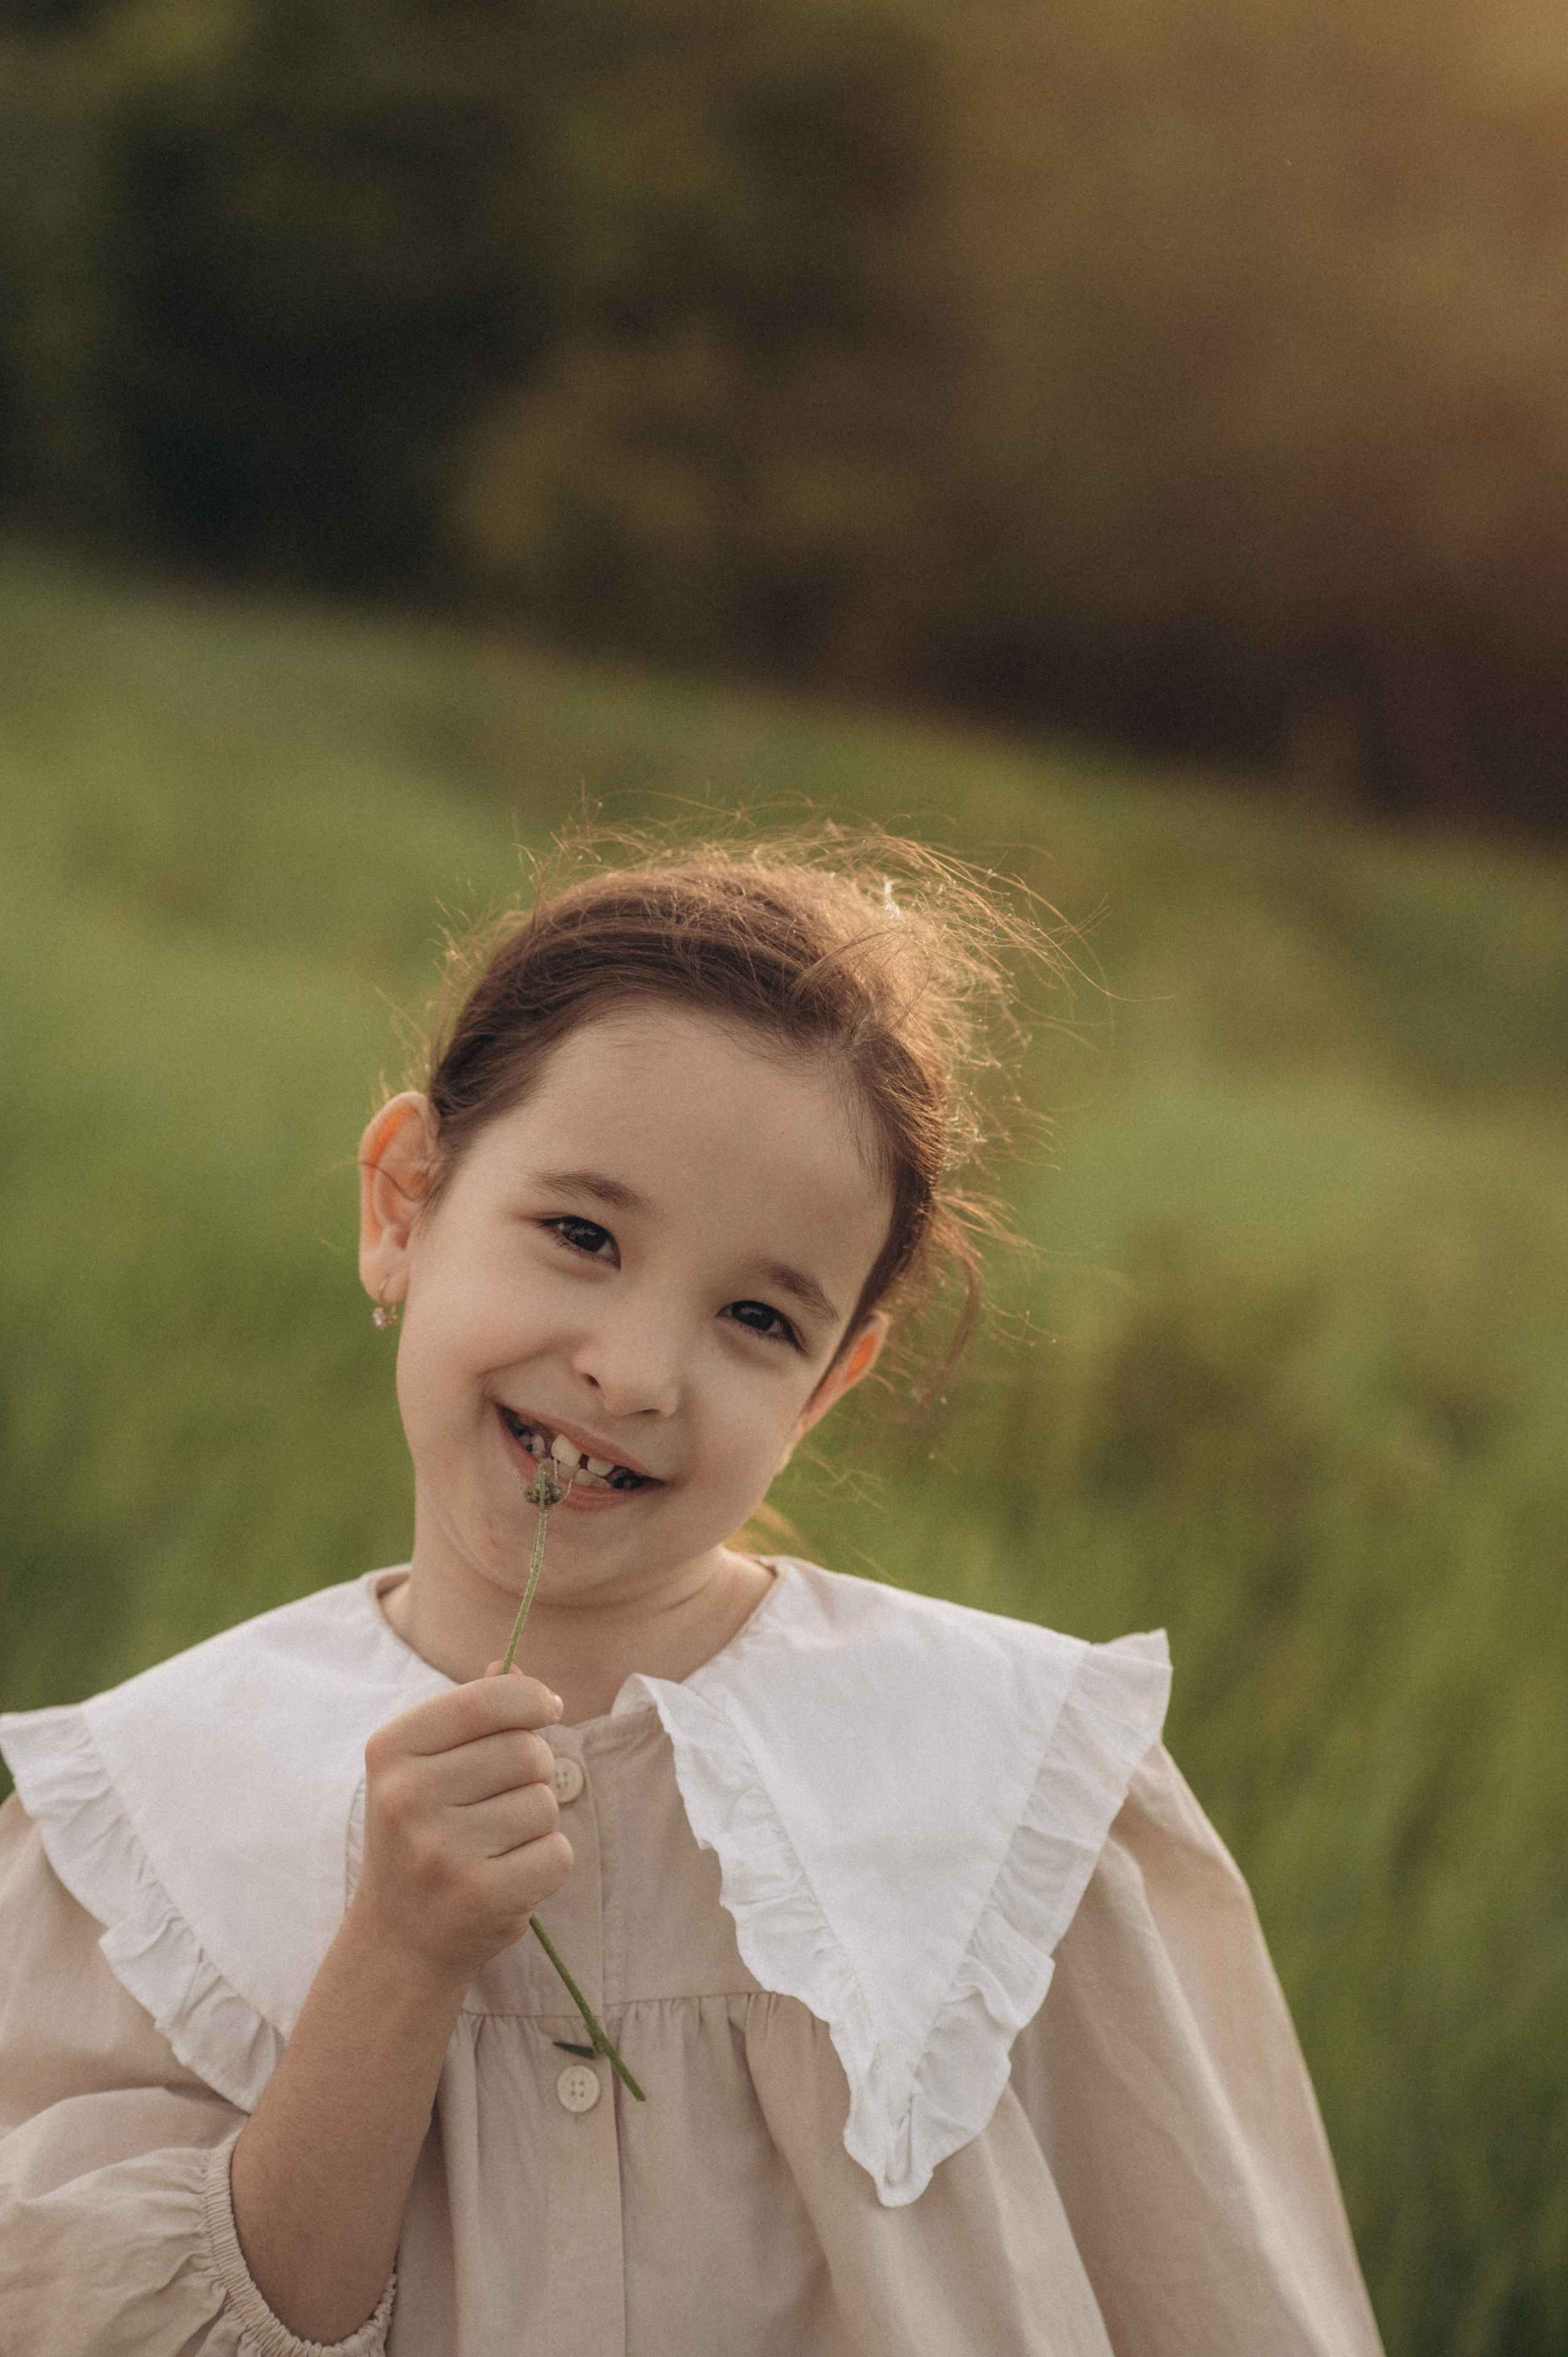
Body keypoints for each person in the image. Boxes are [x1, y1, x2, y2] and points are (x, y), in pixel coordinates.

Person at [0, 829, 1384, 2356]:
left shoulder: (1006, 1789)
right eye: (581, 1234)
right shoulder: (147, 1825)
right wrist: (393, 1958)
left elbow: (1215, 2298)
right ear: (403, 1202)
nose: (636, 1371)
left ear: (829, 1382)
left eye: (754, 1316)